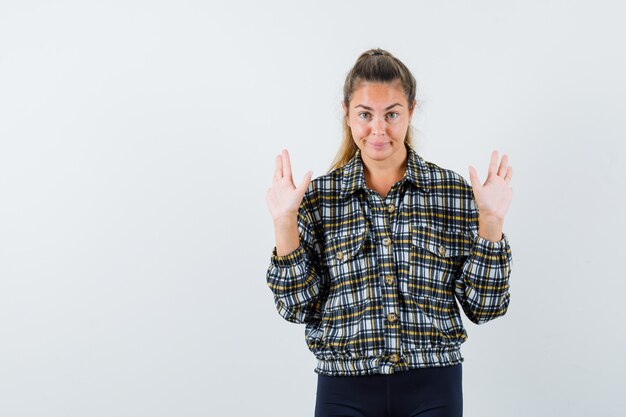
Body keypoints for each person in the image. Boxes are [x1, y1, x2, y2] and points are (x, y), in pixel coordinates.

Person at [265, 48, 513, 417]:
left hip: (434, 384)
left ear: (411, 110)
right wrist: (284, 221)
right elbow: (296, 307)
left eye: (391, 114)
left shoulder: (451, 192)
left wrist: (491, 220)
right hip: (343, 385)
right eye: (365, 114)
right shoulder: (319, 199)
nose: (378, 130)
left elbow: (485, 307)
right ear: (347, 113)